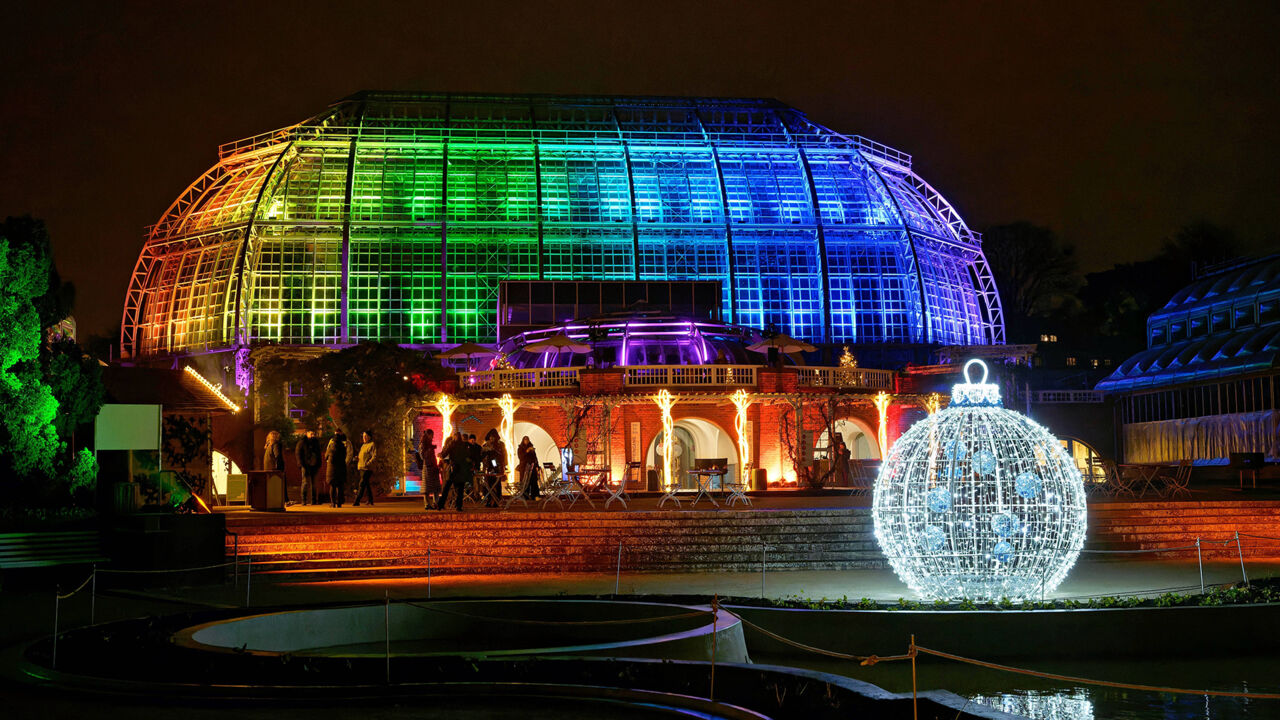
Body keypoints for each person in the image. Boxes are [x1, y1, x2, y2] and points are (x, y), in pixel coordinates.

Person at [437, 429, 472, 511]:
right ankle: (458, 506)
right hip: (462, 469)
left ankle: (441, 504)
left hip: (454, 468)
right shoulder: (464, 445)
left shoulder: (452, 444)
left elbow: (444, 454)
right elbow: (468, 455)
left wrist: (440, 455)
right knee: (460, 488)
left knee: (447, 487)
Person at [325, 430, 353, 507]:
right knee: (340, 486)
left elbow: (326, 456)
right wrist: (345, 463)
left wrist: (328, 461)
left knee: (333, 486)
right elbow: (347, 455)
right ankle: (339, 503)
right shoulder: (343, 446)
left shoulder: (331, 446)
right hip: (341, 468)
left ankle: (333, 503)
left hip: (332, 469)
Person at [479, 429, 506, 508]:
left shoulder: (500, 445)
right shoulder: (486, 446)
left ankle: (497, 500)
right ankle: (489, 499)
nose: (492, 439)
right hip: (488, 467)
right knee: (488, 484)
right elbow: (482, 457)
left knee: (497, 484)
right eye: (490, 437)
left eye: (493, 437)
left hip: (497, 467)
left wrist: (503, 465)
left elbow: (503, 456)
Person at [295, 429, 323, 505]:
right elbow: (298, 454)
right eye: (311, 433)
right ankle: (304, 500)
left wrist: (319, 463)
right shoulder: (302, 442)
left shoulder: (316, 442)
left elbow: (319, 454)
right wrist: (301, 464)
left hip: (314, 465)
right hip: (305, 465)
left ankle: (314, 500)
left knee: (314, 483)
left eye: (313, 433)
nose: (312, 435)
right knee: (305, 483)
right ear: (307, 433)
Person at [418, 428, 441, 509]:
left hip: (433, 467)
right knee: (427, 488)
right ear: (428, 435)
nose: (432, 437)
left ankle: (436, 503)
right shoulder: (423, 445)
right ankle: (427, 504)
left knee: (436, 487)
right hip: (428, 467)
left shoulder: (429, 444)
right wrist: (429, 450)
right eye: (431, 435)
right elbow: (422, 456)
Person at [354, 431, 377, 506]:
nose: (364, 437)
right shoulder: (363, 445)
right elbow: (362, 455)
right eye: (363, 436)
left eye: (366, 436)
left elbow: (374, 456)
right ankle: (370, 500)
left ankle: (357, 500)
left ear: (369, 437)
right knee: (366, 484)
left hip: (367, 468)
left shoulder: (372, 445)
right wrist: (357, 458)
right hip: (361, 467)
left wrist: (368, 463)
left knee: (362, 484)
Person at [516, 436, 540, 500]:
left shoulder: (531, 447)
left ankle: (535, 495)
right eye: (525, 440)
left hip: (532, 467)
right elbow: (521, 457)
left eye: (527, 439)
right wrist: (527, 451)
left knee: (533, 481)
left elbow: (535, 458)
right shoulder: (520, 448)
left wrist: (537, 466)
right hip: (524, 468)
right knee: (525, 482)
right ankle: (525, 496)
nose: (526, 441)